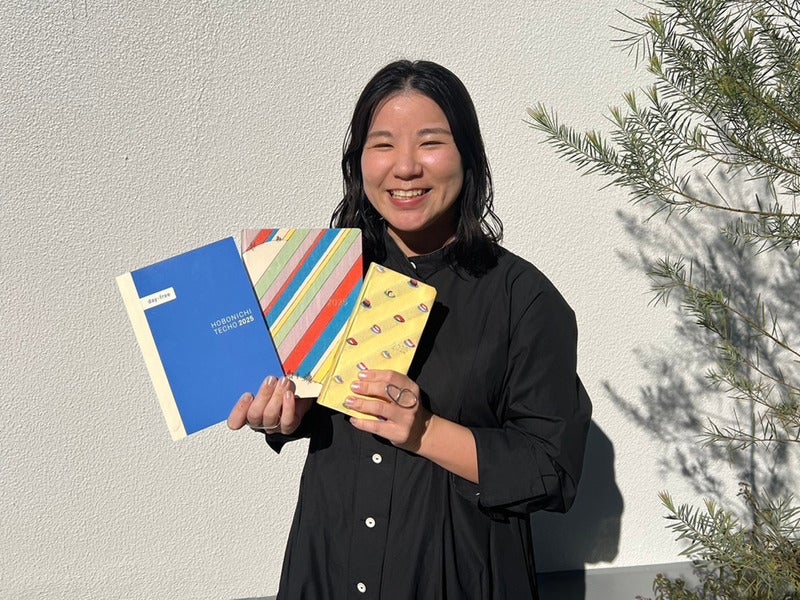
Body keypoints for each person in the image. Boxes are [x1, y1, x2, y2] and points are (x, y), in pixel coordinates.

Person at [228, 59, 592, 600]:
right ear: (358, 162)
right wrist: (288, 414)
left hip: (459, 579)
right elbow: (311, 412)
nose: (405, 168)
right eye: (382, 145)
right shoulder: (322, 278)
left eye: (430, 143)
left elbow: (551, 468)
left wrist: (423, 430)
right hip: (327, 568)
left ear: (468, 157)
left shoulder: (524, 298)